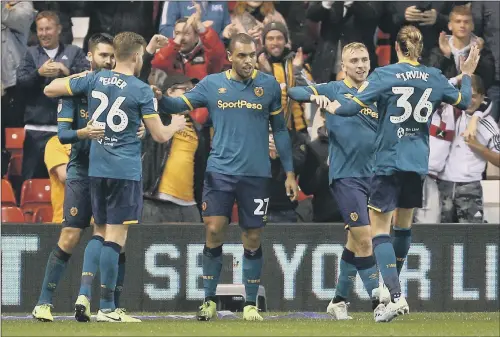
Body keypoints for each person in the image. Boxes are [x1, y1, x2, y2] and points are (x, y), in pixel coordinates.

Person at [326, 25, 480, 322]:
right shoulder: (433, 77)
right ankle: (390, 291)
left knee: (379, 229)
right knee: (404, 228)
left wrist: (333, 105)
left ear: (397, 47)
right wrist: (467, 73)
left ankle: (395, 295)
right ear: (420, 48)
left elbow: (349, 109)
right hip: (417, 162)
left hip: (388, 161)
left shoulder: (384, 75)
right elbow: (464, 102)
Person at [152, 33, 299, 321]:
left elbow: (280, 130)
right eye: (242, 55)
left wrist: (290, 173)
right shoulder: (212, 84)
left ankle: (250, 304)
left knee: (252, 236)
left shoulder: (268, 86)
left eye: (252, 55)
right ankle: (208, 300)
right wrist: (158, 99)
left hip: (256, 174)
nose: (248, 60)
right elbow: (177, 105)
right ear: (230, 57)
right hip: (220, 171)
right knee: (214, 229)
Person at [43, 31, 187, 322]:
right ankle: (107, 307)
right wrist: (176, 124)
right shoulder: (141, 89)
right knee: (116, 236)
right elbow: (160, 135)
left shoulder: (94, 79)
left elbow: (53, 87)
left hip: (96, 169)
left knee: (101, 230)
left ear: (116, 54)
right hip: (124, 171)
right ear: (136, 56)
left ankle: (89, 296)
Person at [288, 42, 390, 320]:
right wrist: (315, 98)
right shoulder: (333, 90)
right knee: (366, 240)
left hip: (375, 176)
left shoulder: (377, 93)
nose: (360, 65)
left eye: (364, 59)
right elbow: (295, 92)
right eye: (354, 60)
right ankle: (379, 304)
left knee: (354, 242)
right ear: (343, 66)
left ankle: (338, 300)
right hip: (346, 177)